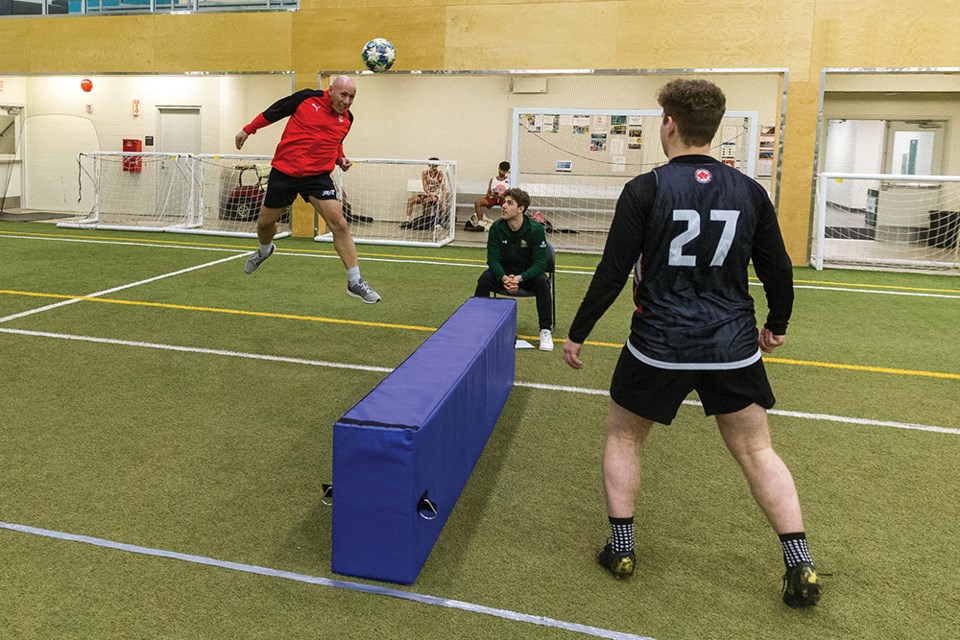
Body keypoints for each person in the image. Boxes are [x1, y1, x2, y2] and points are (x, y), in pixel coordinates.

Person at [562, 79, 821, 607]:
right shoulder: (750, 191)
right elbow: (778, 270)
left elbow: (612, 272)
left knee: (625, 437)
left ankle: (623, 549)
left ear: (670, 124)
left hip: (659, 344)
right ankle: (800, 563)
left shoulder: (645, 189)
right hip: (732, 344)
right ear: (716, 127)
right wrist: (778, 323)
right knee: (756, 449)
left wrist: (578, 332)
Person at [234, 75, 380, 304]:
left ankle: (355, 281)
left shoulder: (347, 119)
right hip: (285, 171)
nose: (347, 101)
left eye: (352, 97)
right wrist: (247, 130)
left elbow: (335, 141)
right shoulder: (306, 99)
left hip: (317, 176)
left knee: (339, 223)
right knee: (265, 223)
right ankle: (264, 250)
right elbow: (276, 110)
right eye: (343, 95)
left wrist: (340, 157)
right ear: (330, 90)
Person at [474, 188, 553, 351]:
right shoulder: (496, 227)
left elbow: (540, 264)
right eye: (504, 202)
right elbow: (492, 260)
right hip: (504, 274)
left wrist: (519, 278)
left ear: (521, 209)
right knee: (484, 279)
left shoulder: (536, 230)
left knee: (543, 283)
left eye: (509, 203)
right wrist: (504, 278)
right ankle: (478, 328)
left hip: (527, 275)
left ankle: (545, 330)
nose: (503, 206)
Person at [402, 158, 447, 229]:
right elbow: (425, 187)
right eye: (432, 165)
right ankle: (407, 220)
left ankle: (425, 220)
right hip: (427, 194)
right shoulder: (425, 173)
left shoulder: (439, 174)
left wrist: (443, 201)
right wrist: (430, 195)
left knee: (426, 201)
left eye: (435, 166)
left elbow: (443, 189)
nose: (433, 167)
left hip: (435, 195)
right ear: (429, 165)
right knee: (410, 200)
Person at [467, 161, 510, 232]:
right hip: (493, 198)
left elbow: (509, 194)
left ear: (507, 171)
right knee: (477, 202)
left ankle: (506, 224)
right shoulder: (493, 180)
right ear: (498, 168)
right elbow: (487, 194)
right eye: (500, 169)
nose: (501, 172)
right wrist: (492, 195)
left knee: (508, 206)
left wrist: (502, 196)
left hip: (503, 199)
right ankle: (480, 224)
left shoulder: (509, 181)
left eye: (504, 171)